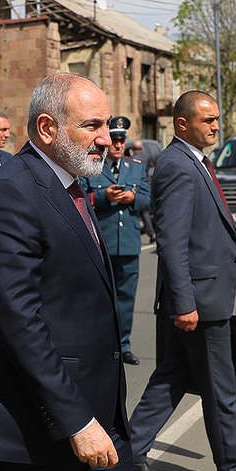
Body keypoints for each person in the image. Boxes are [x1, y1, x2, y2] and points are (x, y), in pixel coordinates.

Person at [0, 73, 155, 471]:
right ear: (47, 128)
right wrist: (75, 422)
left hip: (99, 416)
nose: (107, 138)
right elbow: (20, 324)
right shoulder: (9, 194)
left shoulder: (73, 184)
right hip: (40, 427)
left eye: (106, 126)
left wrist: (95, 418)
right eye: (92, 126)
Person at [129, 91, 236, 471]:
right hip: (198, 302)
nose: (215, 126)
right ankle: (231, 465)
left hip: (198, 297)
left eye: (216, 118)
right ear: (182, 124)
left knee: (172, 377)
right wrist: (185, 304)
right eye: (207, 120)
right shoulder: (179, 166)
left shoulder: (193, 160)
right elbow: (172, 242)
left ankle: (131, 450)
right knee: (220, 388)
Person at [80, 115, 151, 365]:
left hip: (129, 244)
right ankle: (99, 346)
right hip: (102, 243)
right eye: (115, 140)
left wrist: (133, 199)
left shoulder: (136, 167)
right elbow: (81, 198)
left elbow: (148, 200)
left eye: (122, 140)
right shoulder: (92, 165)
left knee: (126, 299)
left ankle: (123, 346)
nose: (119, 145)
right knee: (99, 297)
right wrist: (104, 197)